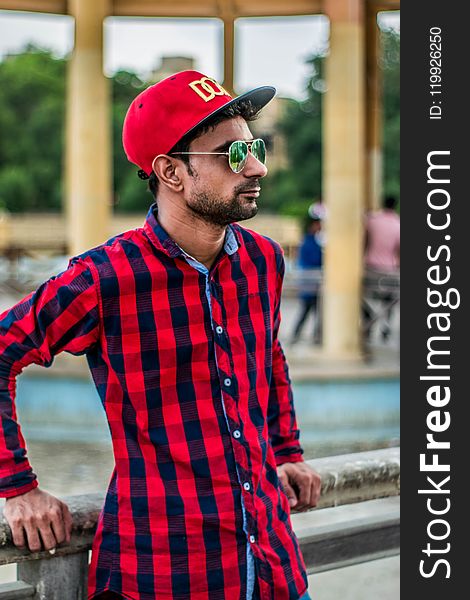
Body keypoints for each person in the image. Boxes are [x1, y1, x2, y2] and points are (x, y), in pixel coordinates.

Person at [0, 71, 321, 600]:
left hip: (273, 567)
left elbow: (268, 355)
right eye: (233, 154)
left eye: (255, 147)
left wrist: (286, 448)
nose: (257, 167)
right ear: (171, 171)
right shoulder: (106, 278)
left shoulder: (262, 260)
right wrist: (17, 486)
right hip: (165, 572)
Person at [363, 195, 400, 341]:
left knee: (362, 298)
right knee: (389, 301)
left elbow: (365, 242)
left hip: (371, 267)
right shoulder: (398, 224)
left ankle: (369, 321)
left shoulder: (372, 221)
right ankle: (385, 326)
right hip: (389, 269)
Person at [290, 213, 323, 345]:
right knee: (308, 310)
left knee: (313, 311)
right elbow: (314, 260)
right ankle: (298, 335)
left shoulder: (312, 240)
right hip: (309, 281)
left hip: (311, 281)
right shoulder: (309, 242)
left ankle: (309, 336)